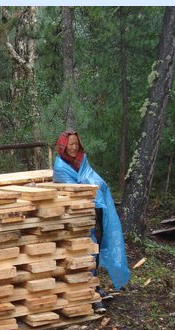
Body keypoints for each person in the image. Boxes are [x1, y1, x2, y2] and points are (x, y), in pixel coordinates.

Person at [53, 130, 130, 313]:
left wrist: (99, 189)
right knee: (85, 250)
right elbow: (74, 191)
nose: (74, 148)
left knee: (96, 247)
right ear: (63, 146)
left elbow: (93, 180)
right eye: (70, 144)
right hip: (75, 218)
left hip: (94, 212)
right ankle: (88, 293)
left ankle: (94, 285)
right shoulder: (60, 166)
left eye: (76, 144)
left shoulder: (82, 160)